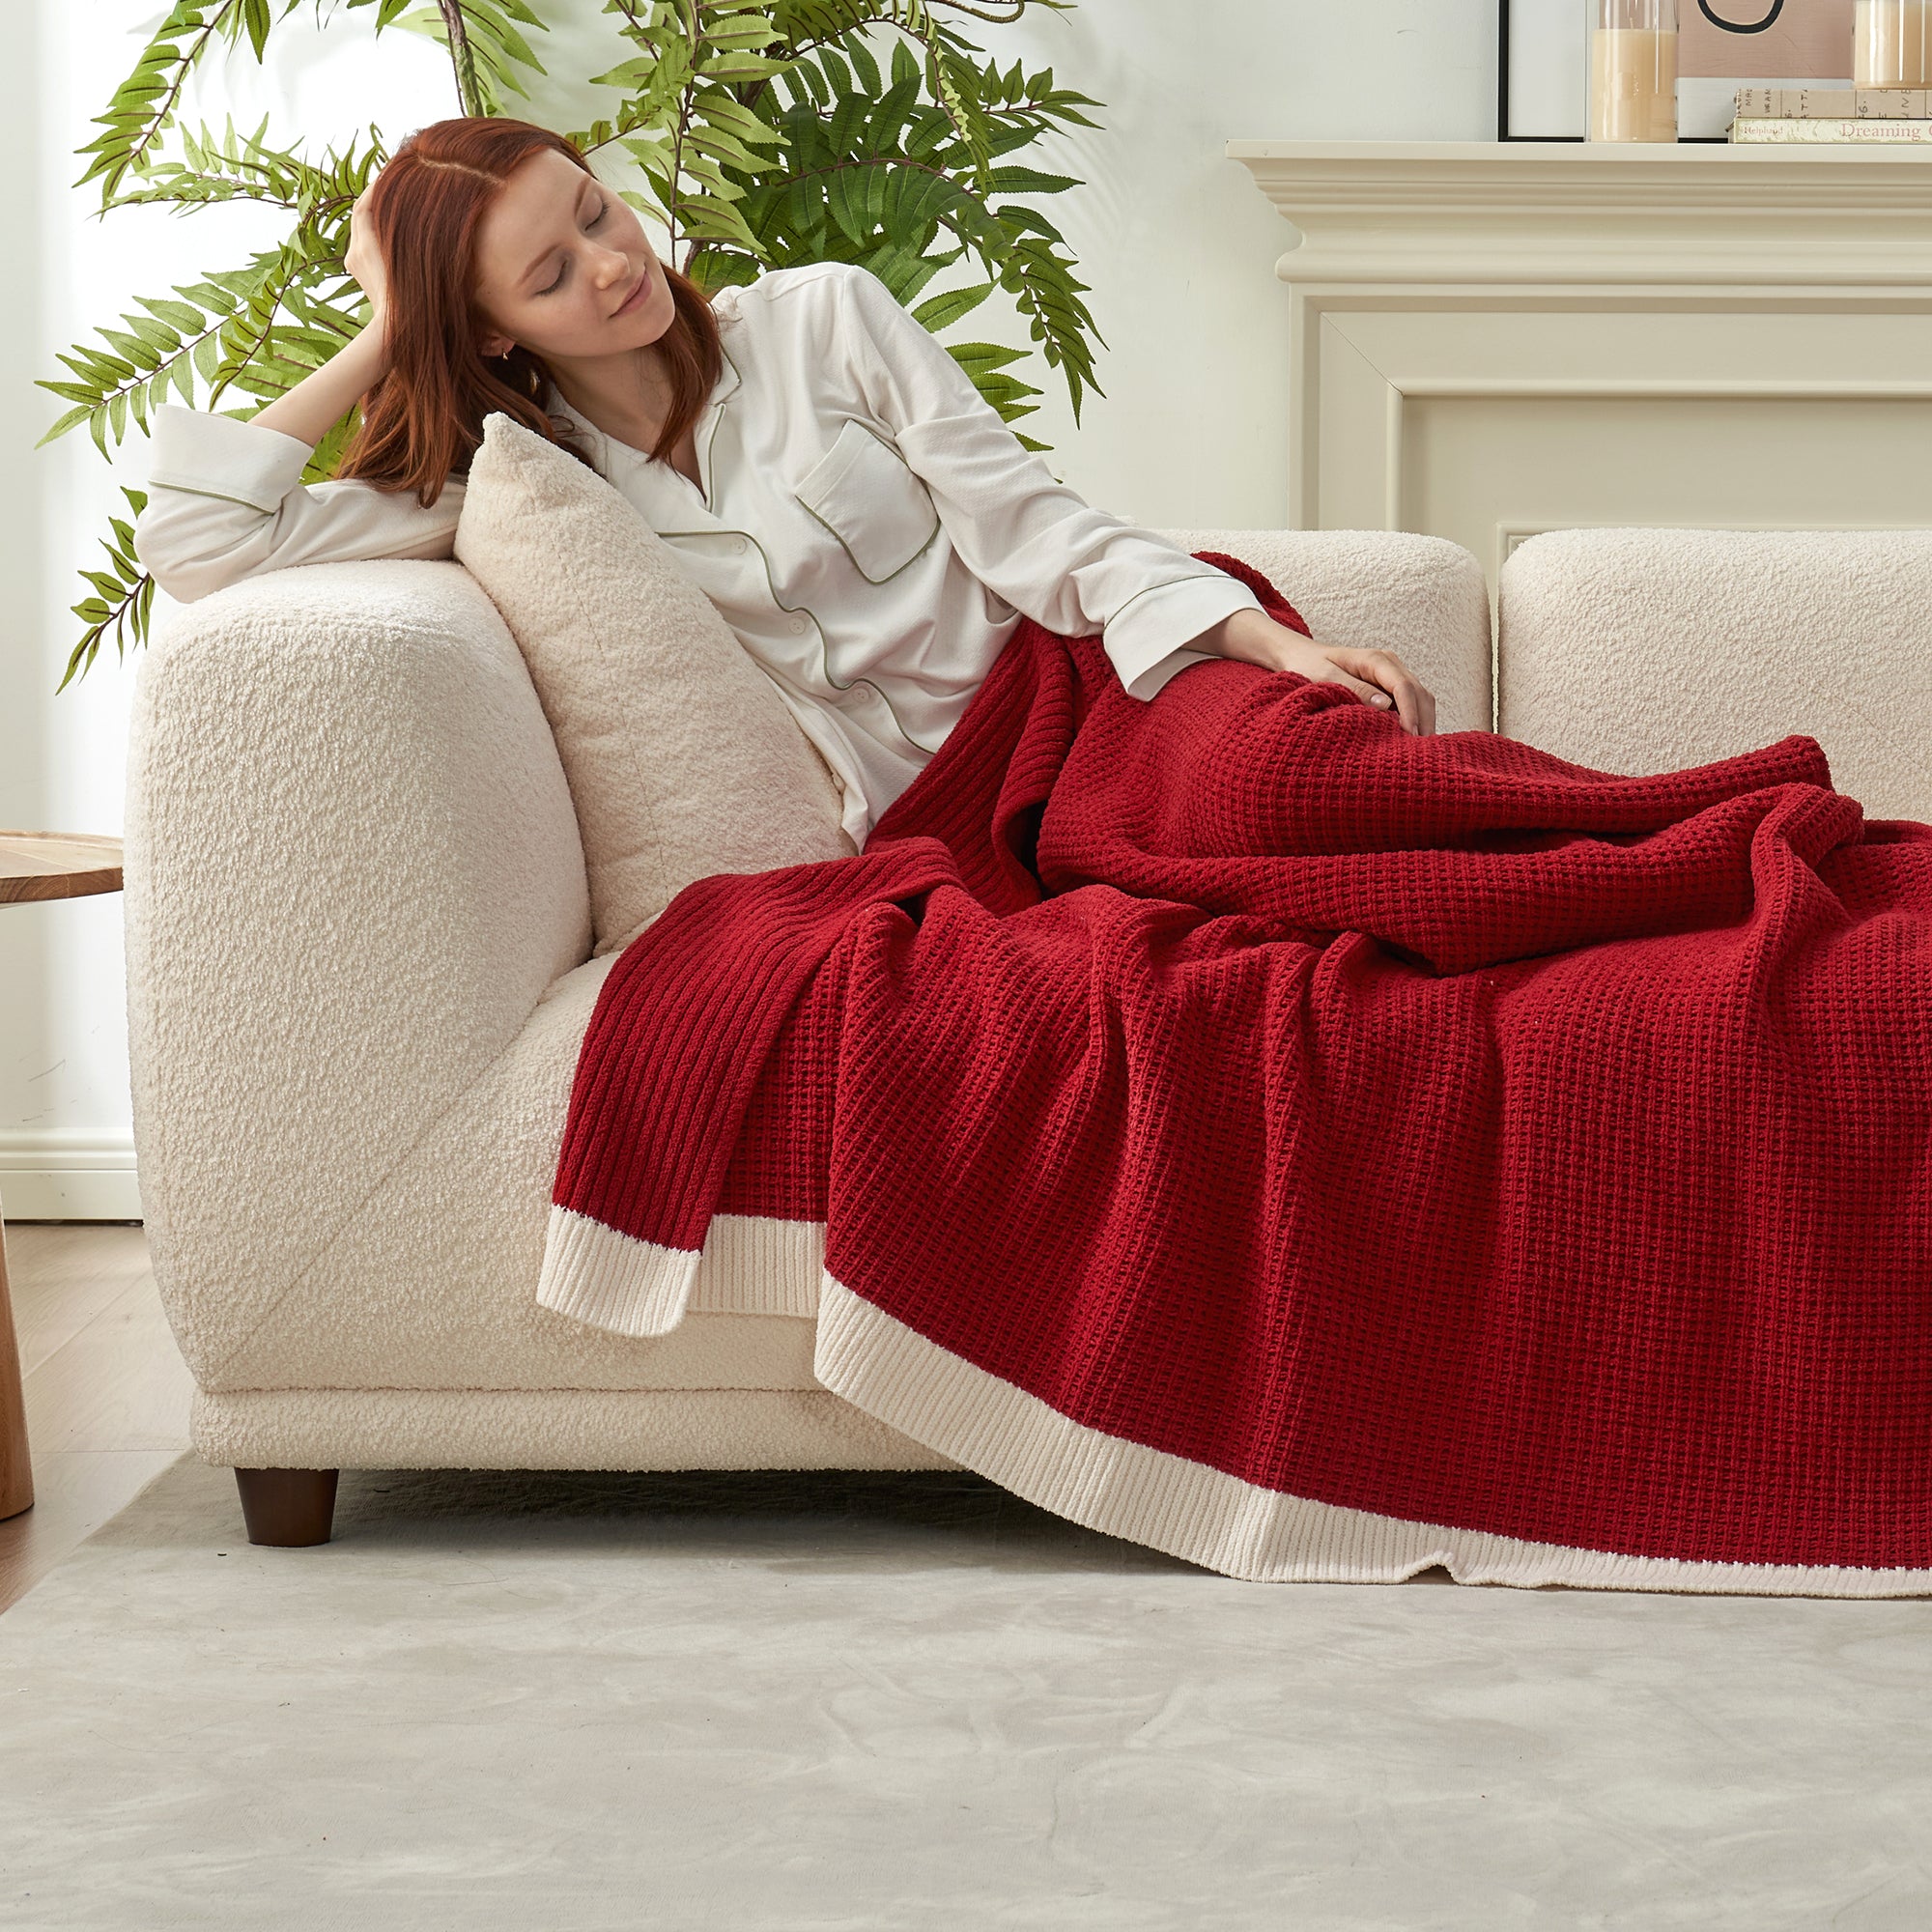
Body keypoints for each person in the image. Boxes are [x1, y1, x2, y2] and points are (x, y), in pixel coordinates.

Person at [131, 117, 1435, 851]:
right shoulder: (528, 489)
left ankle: (1640, 867)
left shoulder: (825, 320)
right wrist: (380, 323)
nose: (609, 262)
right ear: (488, 335)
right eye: (547, 275)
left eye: (594, 210)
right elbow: (201, 546)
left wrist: (1256, 637)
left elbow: (1030, 523)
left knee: (1315, 788)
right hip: (937, 833)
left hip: (1087, 702)